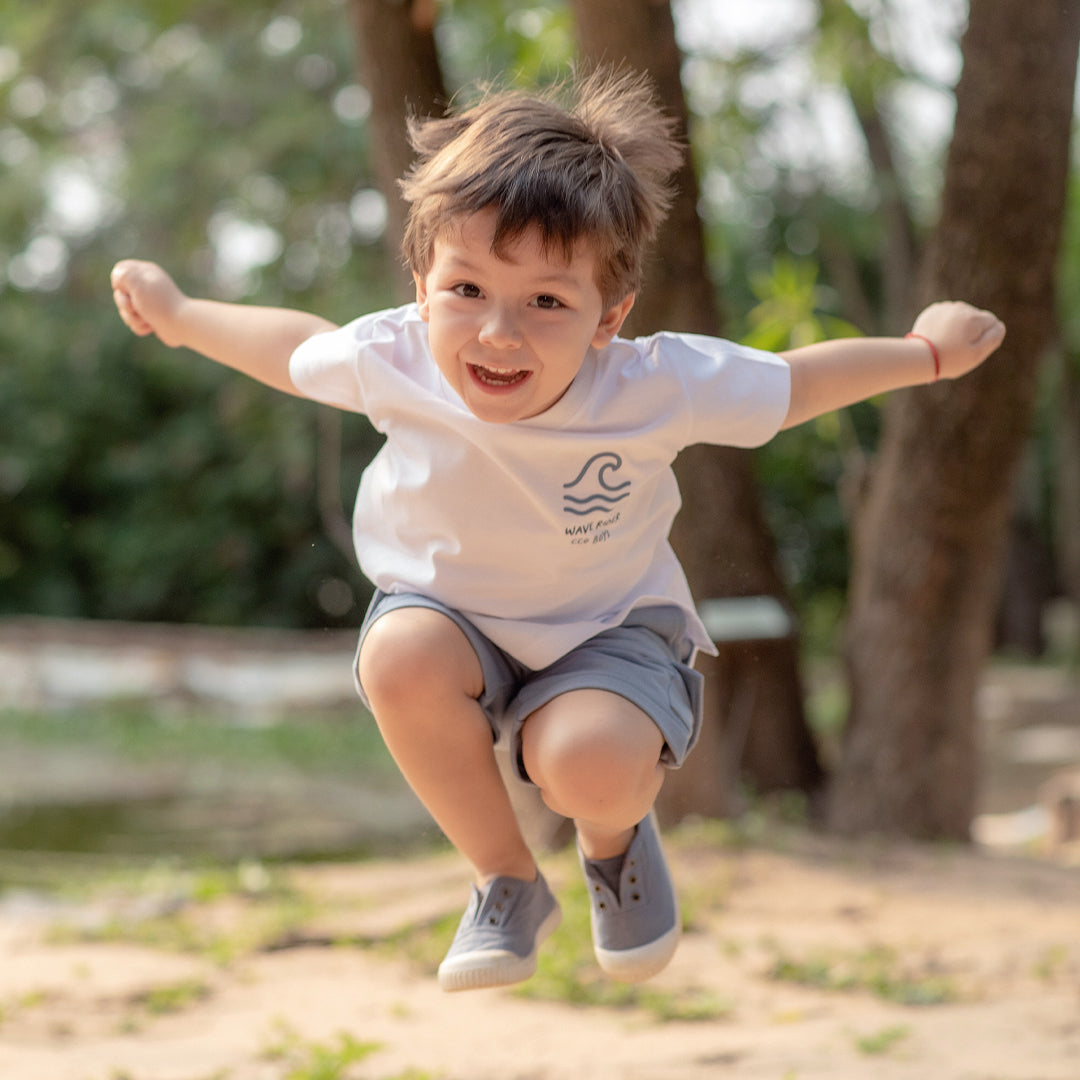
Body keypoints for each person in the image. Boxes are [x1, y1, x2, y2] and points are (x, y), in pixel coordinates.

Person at [110, 66, 1005, 993]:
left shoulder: (657, 383)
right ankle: (505, 880)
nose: (499, 334)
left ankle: (614, 845)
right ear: (422, 285)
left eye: (546, 302)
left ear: (608, 318)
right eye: (467, 289)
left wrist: (926, 354)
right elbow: (287, 349)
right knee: (397, 655)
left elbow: (797, 384)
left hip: (608, 631)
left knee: (582, 763)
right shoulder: (394, 357)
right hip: (450, 621)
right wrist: (178, 316)